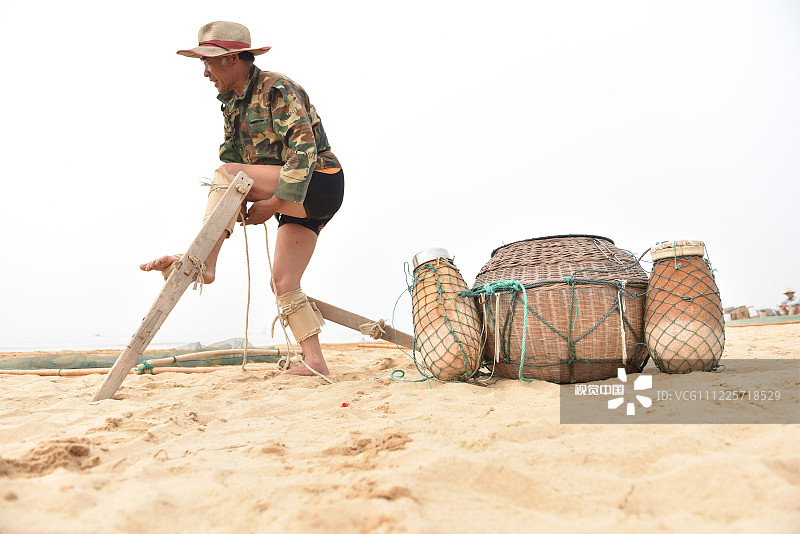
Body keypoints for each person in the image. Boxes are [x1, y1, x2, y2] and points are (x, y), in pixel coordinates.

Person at [140, 21, 344, 376]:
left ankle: (204, 264)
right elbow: (240, 165)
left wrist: (274, 203)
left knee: (225, 175)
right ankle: (315, 365)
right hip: (293, 193)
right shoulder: (233, 104)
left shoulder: (276, 88)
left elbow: (303, 150)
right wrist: (244, 205)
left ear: (233, 60)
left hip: (319, 182)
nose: (204, 72)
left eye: (209, 62)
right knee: (283, 281)